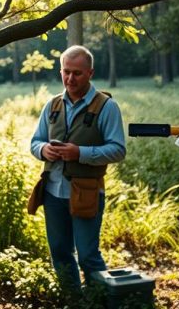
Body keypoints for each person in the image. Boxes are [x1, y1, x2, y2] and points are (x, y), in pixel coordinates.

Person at [29, 45, 126, 292]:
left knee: (87, 256)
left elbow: (118, 150)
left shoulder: (107, 106)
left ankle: (101, 301)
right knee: (60, 253)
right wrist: (43, 150)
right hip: (53, 192)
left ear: (90, 72)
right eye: (66, 72)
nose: (70, 78)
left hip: (87, 192)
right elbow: (35, 142)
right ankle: (73, 301)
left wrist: (79, 153)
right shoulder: (51, 105)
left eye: (77, 73)